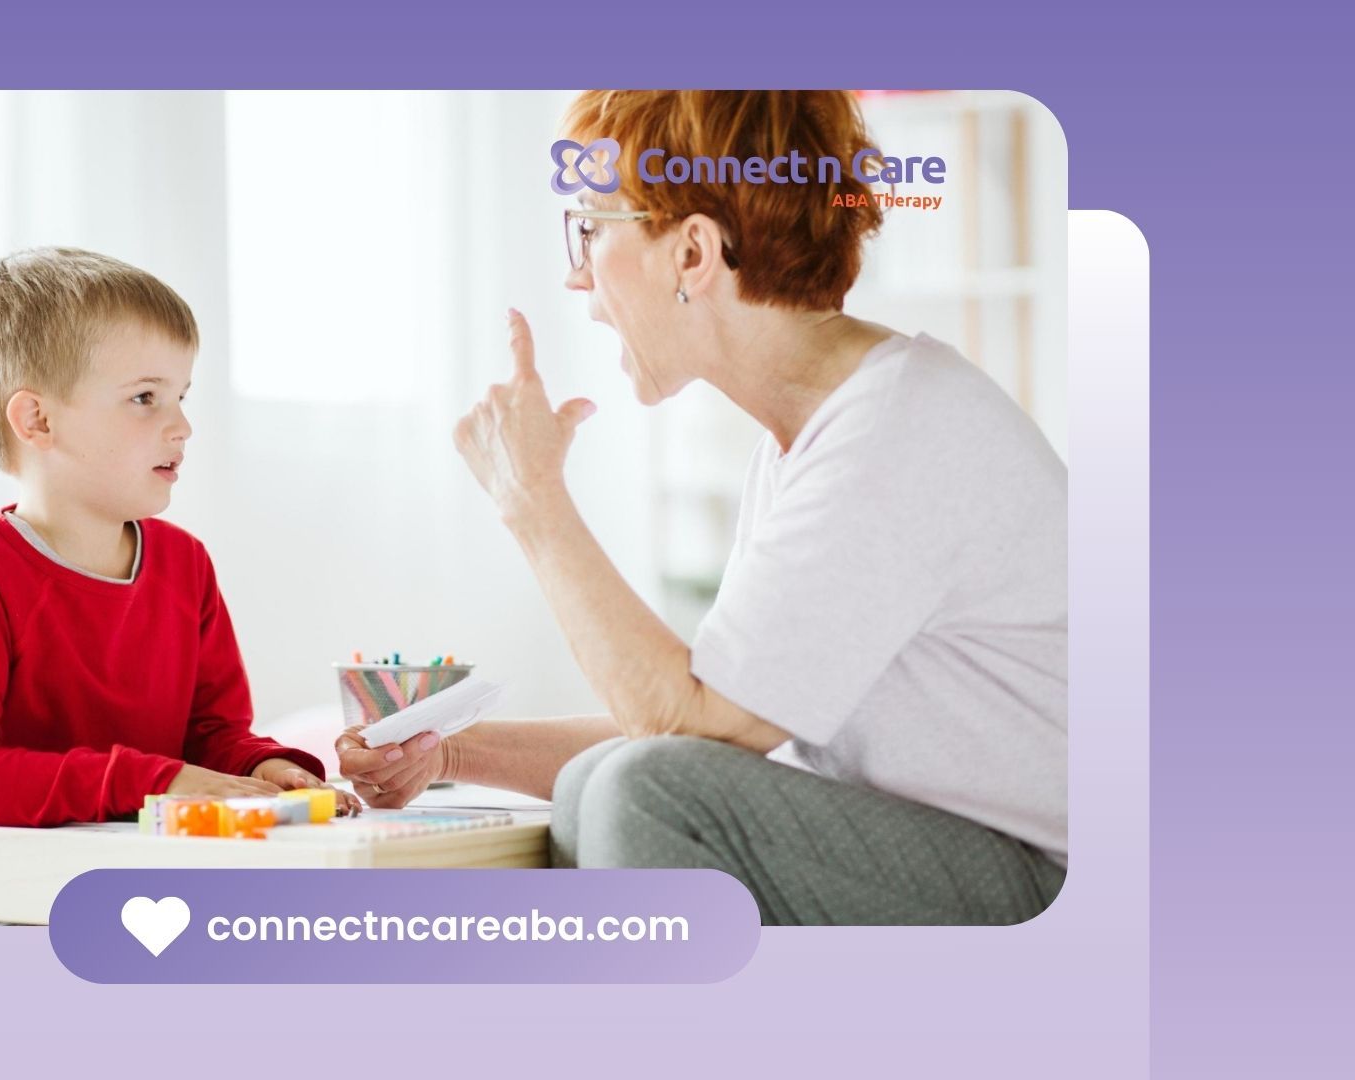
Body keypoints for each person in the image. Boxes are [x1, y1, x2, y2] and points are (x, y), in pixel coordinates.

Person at [338, 91, 1065, 925]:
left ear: (691, 252)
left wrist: (531, 498)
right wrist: (450, 752)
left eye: (592, 227)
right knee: (596, 786)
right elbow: (709, 731)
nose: (578, 274)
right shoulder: (820, 437)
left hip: (1050, 882)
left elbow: (685, 731)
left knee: (643, 794)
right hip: (958, 855)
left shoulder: (895, 433)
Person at [0, 247, 357, 924]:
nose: (182, 426)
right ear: (37, 420)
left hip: (122, 888)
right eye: (144, 398)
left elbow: (212, 733)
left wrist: (258, 769)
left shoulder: (185, 566)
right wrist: (153, 781)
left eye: (181, 397)